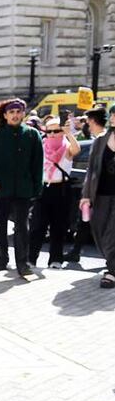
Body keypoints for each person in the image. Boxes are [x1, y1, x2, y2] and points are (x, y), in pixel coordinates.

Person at [0, 98, 44, 277]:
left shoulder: (32, 134)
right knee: (1, 224)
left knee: (22, 226)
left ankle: (22, 263)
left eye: (18, 112)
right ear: (6, 115)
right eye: (12, 112)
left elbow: (38, 163)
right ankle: (2, 258)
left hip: (23, 189)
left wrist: (37, 187)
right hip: (1, 189)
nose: (15, 115)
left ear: (23, 114)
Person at [28, 116, 80, 269]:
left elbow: (76, 149)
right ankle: (31, 259)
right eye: (49, 131)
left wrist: (68, 132)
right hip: (43, 189)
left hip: (61, 190)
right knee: (37, 226)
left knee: (59, 227)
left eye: (56, 130)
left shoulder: (67, 146)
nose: (51, 134)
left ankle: (55, 260)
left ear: (62, 131)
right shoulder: (42, 146)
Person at [79, 106, 115, 288]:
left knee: (112, 233)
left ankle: (112, 271)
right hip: (100, 194)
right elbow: (91, 169)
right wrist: (86, 195)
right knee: (99, 230)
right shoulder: (101, 140)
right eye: (113, 115)